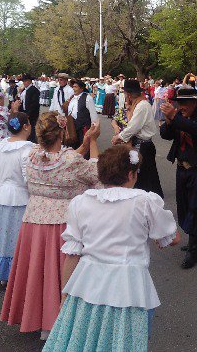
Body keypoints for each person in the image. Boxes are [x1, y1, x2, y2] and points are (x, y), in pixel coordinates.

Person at [43, 144, 180, 350]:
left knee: (84, 340)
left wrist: (64, 295)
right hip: (128, 287)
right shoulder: (144, 201)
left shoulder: (81, 203)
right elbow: (172, 237)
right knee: (122, 343)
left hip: (87, 283)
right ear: (131, 174)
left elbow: (72, 253)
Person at [0, 111, 101, 339]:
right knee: (61, 272)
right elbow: (97, 174)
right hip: (63, 223)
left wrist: (83, 146)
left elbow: (60, 161)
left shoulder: (33, 155)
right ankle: (63, 322)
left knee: (38, 271)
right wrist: (92, 142)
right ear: (63, 132)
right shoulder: (70, 161)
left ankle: (40, 318)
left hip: (33, 220)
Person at [159, 87, 197, 269]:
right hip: (182, 168)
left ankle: (193, 249)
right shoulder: (178, 117)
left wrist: (176, 118)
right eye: (179, 103)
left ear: (195, 102)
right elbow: (165, 135)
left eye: (184, 103)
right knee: (184, 205)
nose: (181, 106)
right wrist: (169, 121)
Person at [0, 112, 34, 283]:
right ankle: (17, 273)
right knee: (18, 235)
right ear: (26, 126)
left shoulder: (2, 145)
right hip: (20, 197)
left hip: (3, 195)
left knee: (3, 233)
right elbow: (29, 178)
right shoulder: (28, 149)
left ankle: (3, 272)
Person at [112, 79, 162, 196]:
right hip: (139, 143)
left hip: (143, 145)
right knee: (143, 175)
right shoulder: (138, 104)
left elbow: (133, 127)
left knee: (143, 175)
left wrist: (118, 137)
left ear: (128, 94)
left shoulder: (142, 106)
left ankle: (147, 202)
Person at [20, 74, 40, 143]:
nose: (24, 83)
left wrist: (28, 114)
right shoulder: (24, 90)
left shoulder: (34, 90)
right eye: (23, 81)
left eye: (26, 81)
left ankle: (32, 142)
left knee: (32, 129)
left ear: (30, 81)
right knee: (25, 128)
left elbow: (34, 104)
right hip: (25, 112)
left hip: (32, 114)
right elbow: (22, 102)